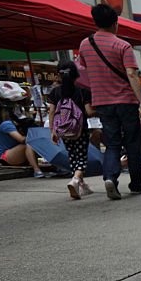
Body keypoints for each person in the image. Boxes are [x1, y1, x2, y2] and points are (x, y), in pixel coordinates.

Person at [77, 3, 141, 200]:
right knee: (133, 142)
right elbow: (132, 74)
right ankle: (136, 184)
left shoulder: (85, 44)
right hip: (126, 100)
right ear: (115, 23)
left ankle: (110, 177)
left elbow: (84, 67)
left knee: (112, 142)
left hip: (102, 101)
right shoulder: (122, 45)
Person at [48, 62, 95, 199]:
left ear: (59, 75)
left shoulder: (55, 92)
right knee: (82, 157)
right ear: (76, 75)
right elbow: (89, 112)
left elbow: (51, 112)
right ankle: (75, 180)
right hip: (80, 130)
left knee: (73, 155)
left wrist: (53, 130)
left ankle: (82, 185)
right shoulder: (82, 91)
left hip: (63, 130)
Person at [0, 113, 43, 177]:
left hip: (16, 154)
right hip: (4, 156)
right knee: (29, 143)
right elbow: (21, 139)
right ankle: (36, 170)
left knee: (35, 144)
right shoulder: (7, 124)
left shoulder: (19, 126)